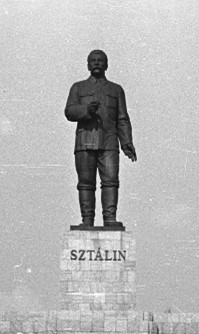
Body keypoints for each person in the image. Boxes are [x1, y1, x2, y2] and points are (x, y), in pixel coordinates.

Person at [65, 49, 137, 229]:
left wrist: (126, 142)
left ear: (106, 65)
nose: (96, 63)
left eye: (100, 60)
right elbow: (69, 111)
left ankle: (110, 219)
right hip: (85, 141)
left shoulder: (116, 90)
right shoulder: (78, 88)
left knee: (111, 181)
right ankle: (87, 220)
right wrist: (86, 110)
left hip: (109, 142)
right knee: (86, 183)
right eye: (93, 60)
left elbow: (122, 118)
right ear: (88, 64)